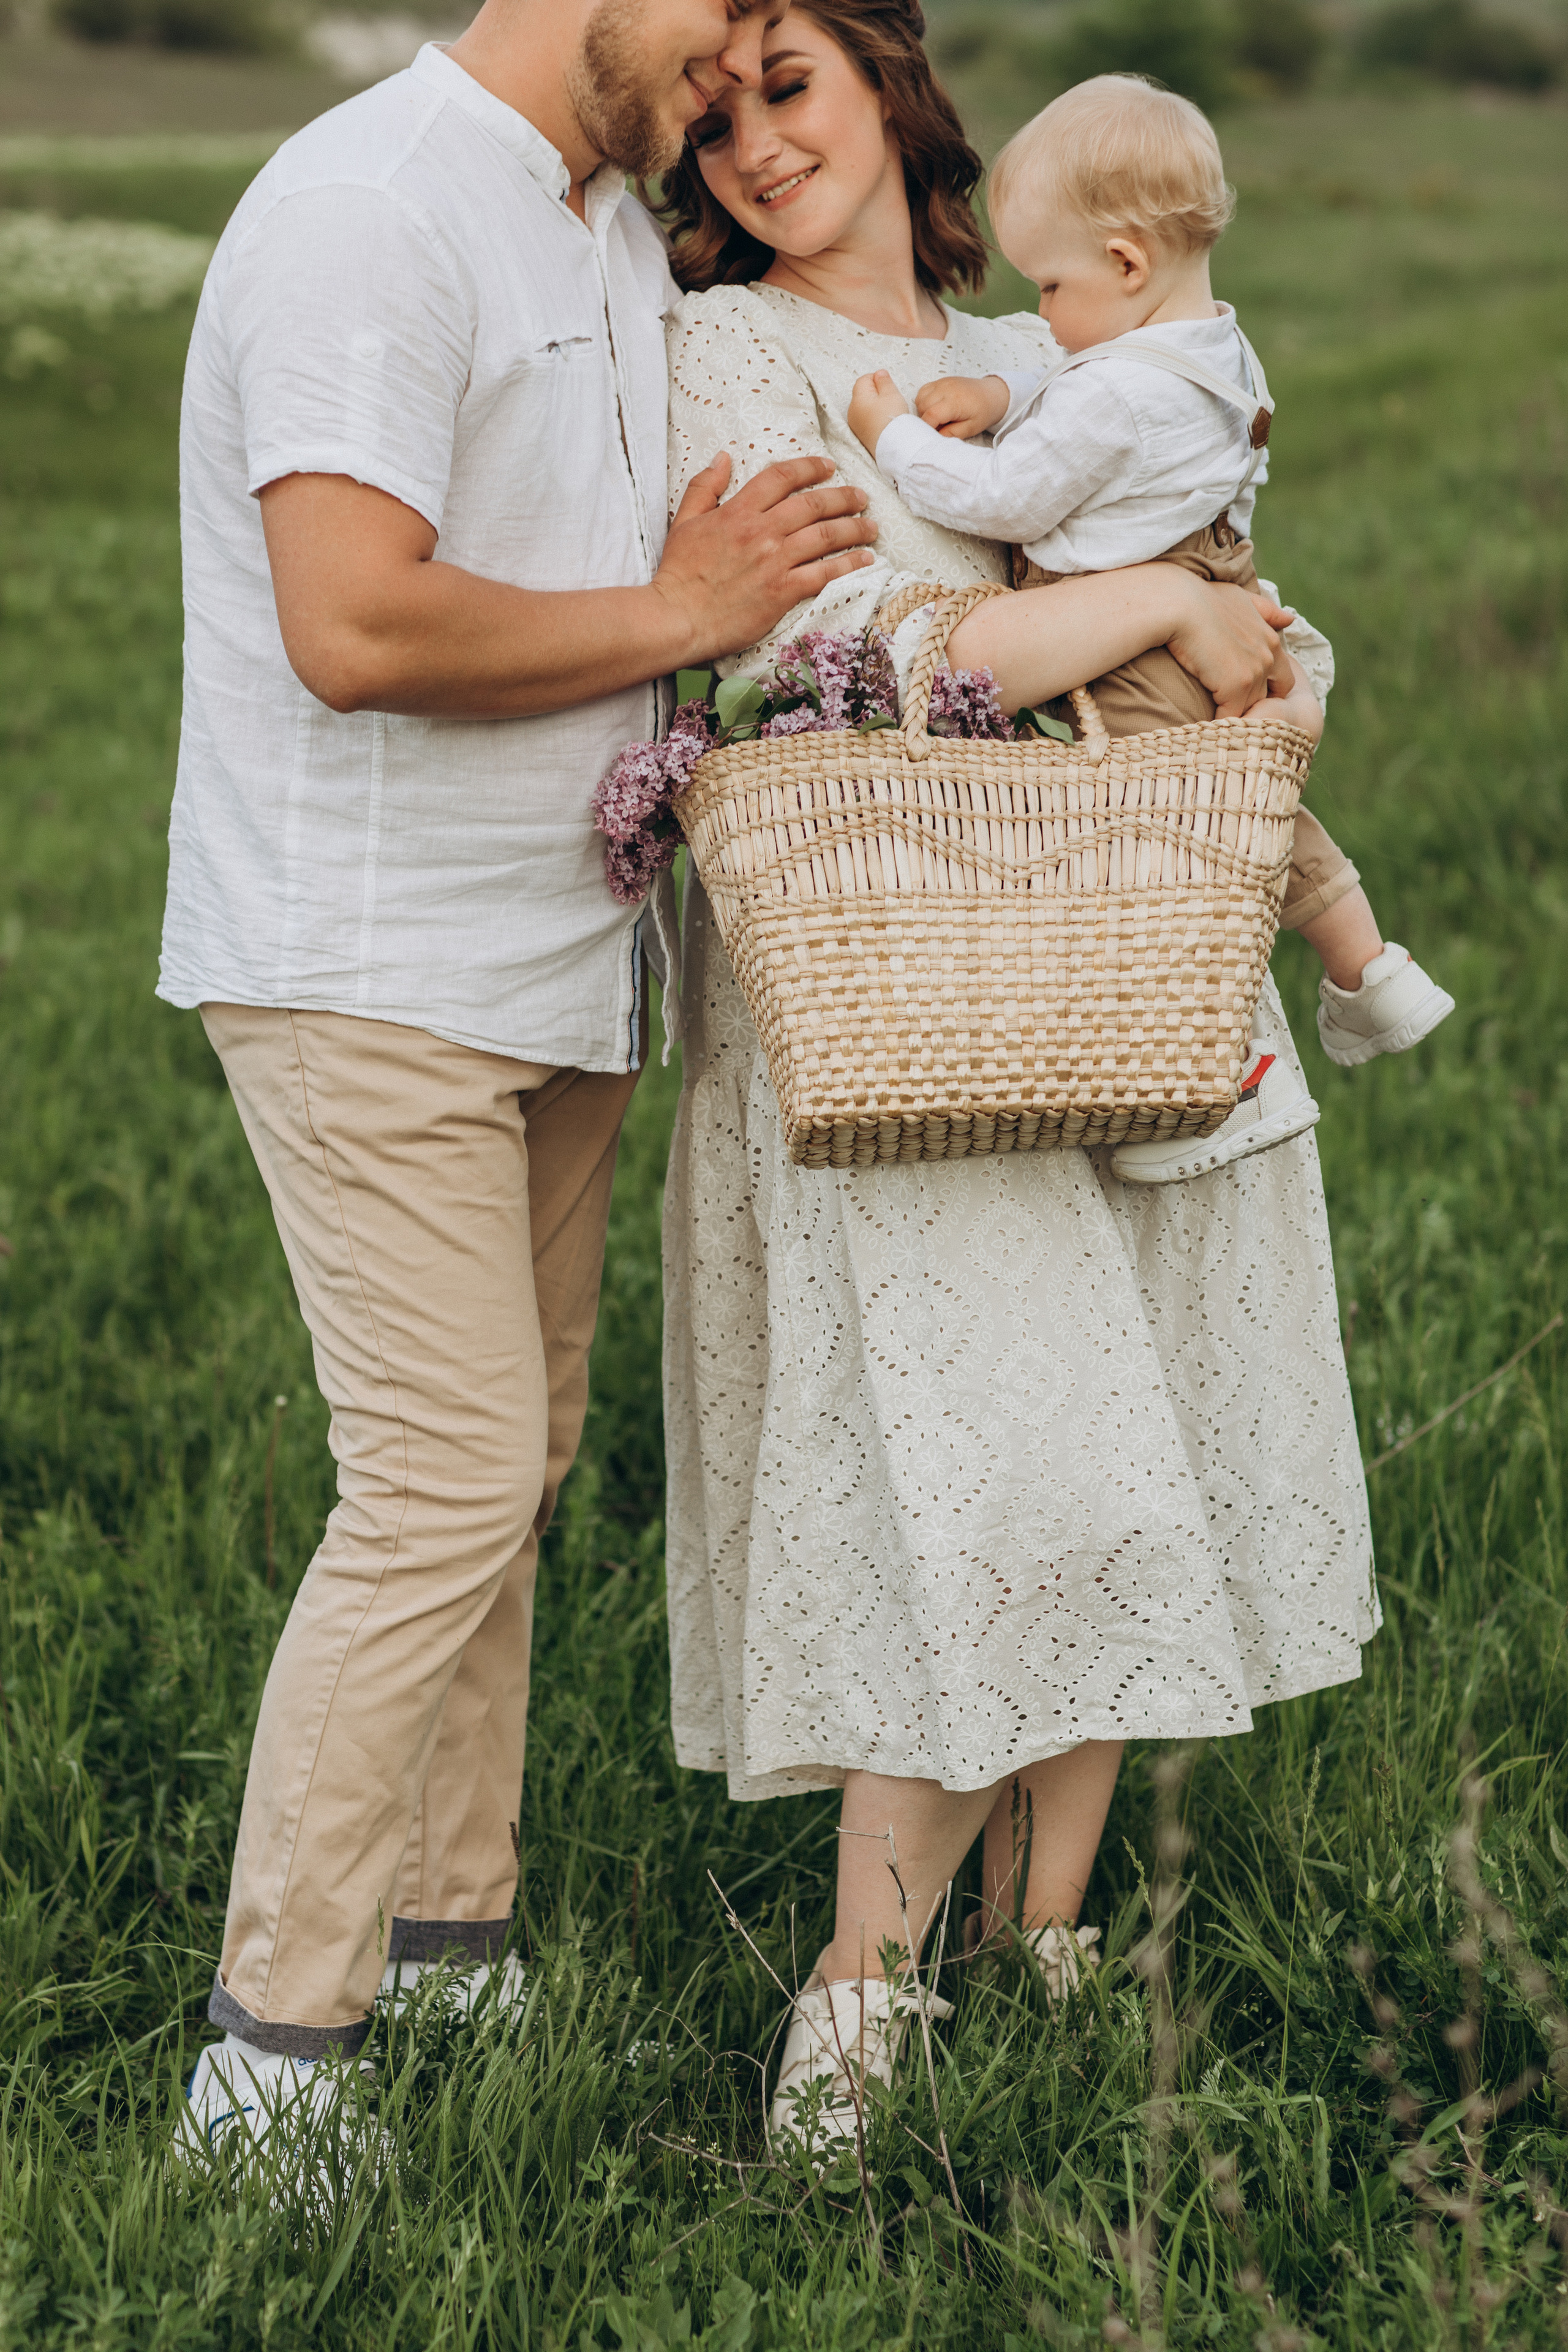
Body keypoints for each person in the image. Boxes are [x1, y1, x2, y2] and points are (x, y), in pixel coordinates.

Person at [160, 0, 892, 2159]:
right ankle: (270, 2060)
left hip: (558, 965)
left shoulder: (593, 217)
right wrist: (681, 597)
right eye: (722, 36)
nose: (726, 90)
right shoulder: (371, 213)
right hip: (366, 960)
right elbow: (352, 623)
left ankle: (448, 1954)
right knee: (442, 1486)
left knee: (525, 1466)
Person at [655, 0, 1377, 2157]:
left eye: (789, 84)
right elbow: (857, 654)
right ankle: (859, 1998)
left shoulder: (1049, 339)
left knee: (1110, 1449)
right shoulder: (742, 360)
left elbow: (1220, 609)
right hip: (890, 982)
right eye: (713, 119)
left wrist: (1212, 618)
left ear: (883, 75)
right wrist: (1156, 593)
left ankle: (1035, 1942)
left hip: (1106, 955)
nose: (759, 147)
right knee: (979, 1467)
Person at [846, 72, 1454, 1185]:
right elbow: (1088, 387)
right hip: (1210, 583)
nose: (1044, 310)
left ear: (1126, 264)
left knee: (1143, 847)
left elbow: (1009, 501)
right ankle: (1368, 963)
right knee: (1239, 797)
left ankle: (1211, 1079)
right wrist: (1001, 396)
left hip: (1121, 634)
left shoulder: (1113, 395)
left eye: (1053, 282)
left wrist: (898, 439)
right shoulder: (1214, 348)